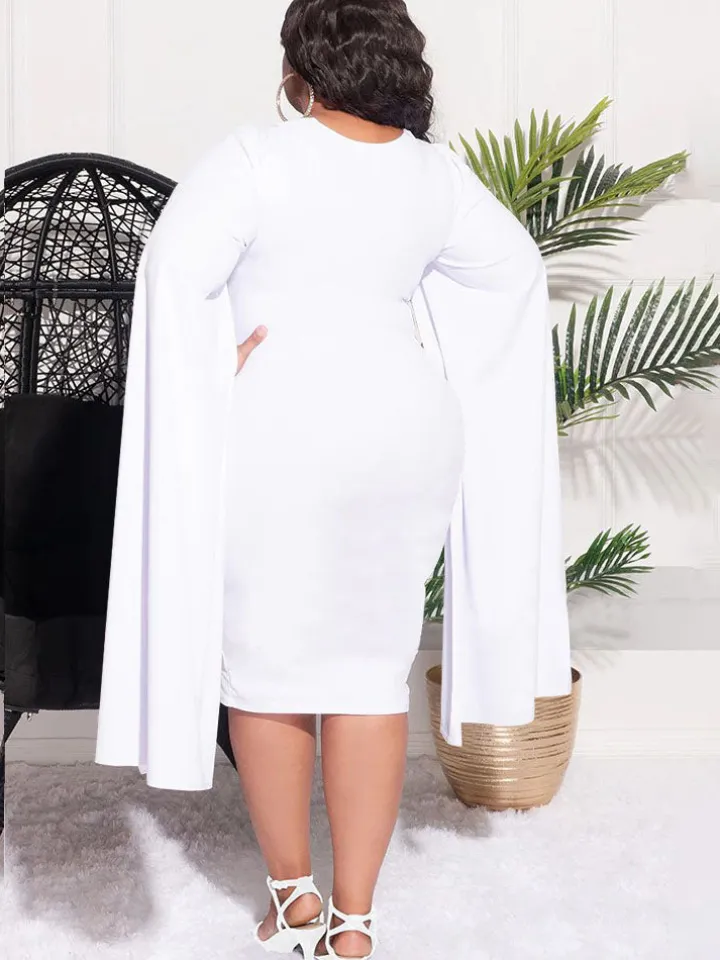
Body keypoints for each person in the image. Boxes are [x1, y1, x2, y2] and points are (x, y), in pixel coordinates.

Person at [94, 1, 572, 958]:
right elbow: (514, 272)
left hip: (279, 430)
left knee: (266, 668)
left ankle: (295, 900)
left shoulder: (254, 158)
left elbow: (171, 275)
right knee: (368, 671)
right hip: (406, 433)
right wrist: (428, 348)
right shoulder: (436, 174)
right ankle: (354, 925)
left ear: (300, 67)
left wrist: (212, 369)